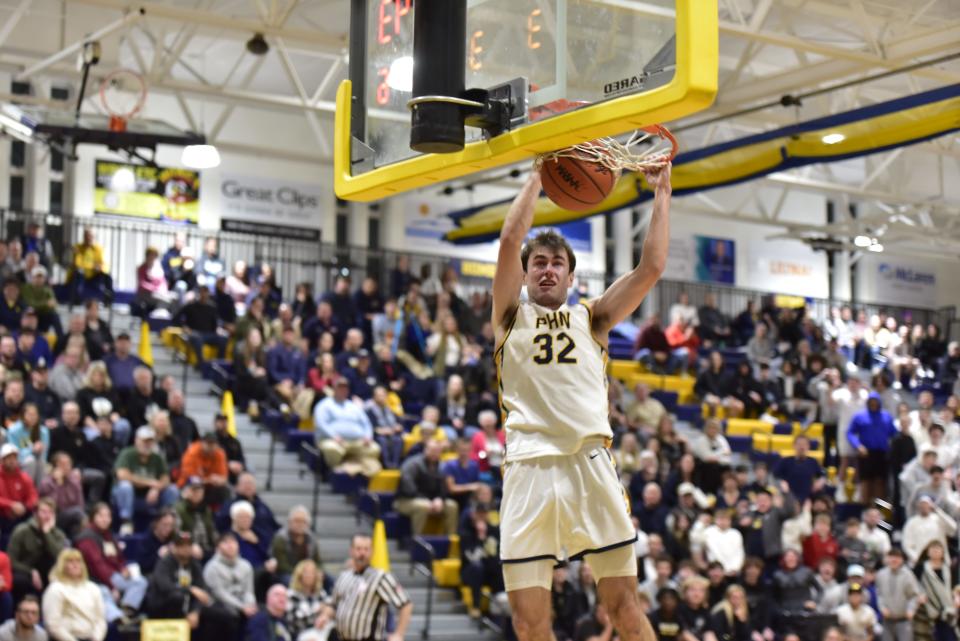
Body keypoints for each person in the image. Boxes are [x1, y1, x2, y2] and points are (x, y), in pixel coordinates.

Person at [491, 161, 670, 641]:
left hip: (590, 464)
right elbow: (510, 239)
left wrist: (662, 194)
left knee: (625, 609)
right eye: (539, 264)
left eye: (557, 264)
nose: (547, 270)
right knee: (530, 625)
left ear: (571, 276)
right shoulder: (508, 317)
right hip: (529, 468)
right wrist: (537, 173)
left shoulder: (593, 318)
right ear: (526, 275)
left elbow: (651, 268)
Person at [317, 534, 412, 641]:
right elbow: (334, 604)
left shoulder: (381, 577)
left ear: (372, 552)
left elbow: (405, 604)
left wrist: (399, 634)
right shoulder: (344, 576)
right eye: (358, 549)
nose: (362, 553)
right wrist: (325, 616)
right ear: (351, 551)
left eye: (366, 549)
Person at [145, 532, 234, 637]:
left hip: (189, 606)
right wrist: (190, 589)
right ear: (174, 547)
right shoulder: (165, 562)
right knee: (177, 597)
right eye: (181, 545)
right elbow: (165, 587)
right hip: (164, 608)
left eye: (189, 545)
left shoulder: (194, 564)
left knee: (225, 615)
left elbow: (202, 589)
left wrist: (195, 611)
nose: (186, 548)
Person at [73, 502, 148, 620]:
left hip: (114, 574)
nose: (105, 519)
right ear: (93, 517)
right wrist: (111, 586)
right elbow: (97, 566)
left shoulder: (108, 535)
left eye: (108, 516)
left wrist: (124, 568)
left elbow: (119, 558)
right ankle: (117, 618)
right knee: (105, 593)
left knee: (140, 581)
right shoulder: (86, 538)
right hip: (96, 579)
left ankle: (127, 611)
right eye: (101, 516)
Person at [111, 426, 180, 534]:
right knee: (125, 486)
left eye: (150, 441)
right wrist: (150, 482)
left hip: (149, 499)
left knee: (172, 489)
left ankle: (167, 522)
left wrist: (156, 488)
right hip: (128, 498)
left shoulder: (157, 457)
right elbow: (122, 475)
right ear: (136, 440)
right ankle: (126, 522)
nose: (147, 444)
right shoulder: (127, 453)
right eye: (144, 441)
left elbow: (166, 479)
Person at [314, 377, 381, 477]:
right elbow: (321, 423)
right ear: (334, 389)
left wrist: (368, 436)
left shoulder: (354, 406)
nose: (343, 390)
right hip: (333, 440)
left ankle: (353, 467)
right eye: (340, 387)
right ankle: (335, 472)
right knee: (332, 449)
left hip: (356, 441)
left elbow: (366, 423)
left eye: (345, 388)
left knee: (375, 448)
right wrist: (333, 436)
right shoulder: (324, 405)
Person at [7, 499, 66, 603]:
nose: (47, 516)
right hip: (24, 571)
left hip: (48, 573)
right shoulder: (22, 530)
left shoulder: (58, 534)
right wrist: (30, 571)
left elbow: (59, 556)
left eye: (51, 512)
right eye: (43, 512)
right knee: (20, 581)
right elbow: (11, 560)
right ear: (35, 513)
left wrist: (46, 534)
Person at [396, 439, 459, 535]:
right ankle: (416, 540)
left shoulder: (442, 466)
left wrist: (440, 499)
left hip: (432, 501)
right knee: (423, 506)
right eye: (432, 451)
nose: (435, 454)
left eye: (438, 451)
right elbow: (408, 489)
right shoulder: (412, 464)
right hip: (405, 500)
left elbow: (444, 487)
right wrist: (428, 501)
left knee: (452, 506)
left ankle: (450, 541)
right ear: (425, 450)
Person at [40, 550, 107, 641]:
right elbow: (52, 624)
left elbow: (100, 619)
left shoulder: (93, 588)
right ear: (62, 566)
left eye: (78, 561)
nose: (75, 565)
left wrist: (96, 638)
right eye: (70, 561)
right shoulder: (55, 589)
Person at [847, 392, 898, 506]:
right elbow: (850, 433)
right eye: (871, 402)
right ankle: (864, 509)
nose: (874, 404)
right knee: (865, 482)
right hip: (865, 453)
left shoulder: (887, 416)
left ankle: (880, 513)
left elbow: (894, 434)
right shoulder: (859, 416)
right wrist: (858, 446)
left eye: (876, 402)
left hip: (882, 454)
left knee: (881, 482)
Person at [202, 532, 257, 635]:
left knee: (259, 615)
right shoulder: (212, 567)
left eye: (233, 542)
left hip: (241, 603)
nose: (230, 545)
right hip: (219, 604)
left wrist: (250, 604)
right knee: (230, 616)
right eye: (226, 543)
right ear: (218, 548)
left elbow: (249, 591)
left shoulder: (246, 565)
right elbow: (220, 594)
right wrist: (242, 607)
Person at [173, 286, 227, 367]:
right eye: (202, 292)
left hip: (209, 333)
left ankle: (219, 365)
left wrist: (219, 329)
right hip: (195, 333)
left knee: (223, 340)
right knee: (197, 339)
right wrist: (184, 327)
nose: (204, 295)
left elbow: (216, 323)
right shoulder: (190, 306)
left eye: (206, 293)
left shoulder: (212, 307)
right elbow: (176, 318)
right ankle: (201, 365)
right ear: (198, 294)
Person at [874, 548, 920, 641]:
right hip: (887, 620)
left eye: (897, 557)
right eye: (891, 557)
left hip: (903, 619)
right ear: (887, 559)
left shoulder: (908, 575)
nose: (894, 560)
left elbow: (914, 595)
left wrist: (911, 609)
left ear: (902, 560)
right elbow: (879, 595)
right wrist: (882, 608)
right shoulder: (881, 574)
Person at [270, 505, 323, 580]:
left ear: (308, 524)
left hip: (308, 574)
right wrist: (301, 575)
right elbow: (282, 565)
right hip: (286, 573)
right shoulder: (281, 538)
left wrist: (319, 571)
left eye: (303, 521)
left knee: (328, 579)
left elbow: (317, 561)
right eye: (297, 521)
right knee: (288, 580)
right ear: (289, 522)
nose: (300, 524)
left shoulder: (311, 538)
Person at [178, 433, 230, 506]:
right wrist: (210, 479)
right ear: (202, 443)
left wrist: (220, 480)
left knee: (225, 490)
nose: (211, 446)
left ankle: (221, 514)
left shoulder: (220, 453)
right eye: (208, 443)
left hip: (209, 485)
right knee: (195, 490)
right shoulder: (192, 452)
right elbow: (191, 478)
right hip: (188, 483)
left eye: (213, 444)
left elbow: (224, 477)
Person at [285, 560, 329, 640]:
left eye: (312, 572)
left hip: (321, 632)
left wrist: (325, 615)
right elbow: (296, 620)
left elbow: (328, 610)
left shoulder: (321, 593)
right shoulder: (291, 595)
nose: (309, 575)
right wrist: (317, 610)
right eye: (306, 572)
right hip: (299, 634)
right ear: (299, 575)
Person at [68, 227, 113, 305]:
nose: (88, 238)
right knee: (79, 272)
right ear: (84, 237)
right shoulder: (78, 247)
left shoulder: (98, 249)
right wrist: (92, 266)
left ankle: (109, 299)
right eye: (87, 236)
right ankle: (77, 300)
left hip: (94, 275)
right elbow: (78, 264)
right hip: (82, 275)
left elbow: (102, 263)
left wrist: (99, 267)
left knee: (107, 276)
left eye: (90, 236)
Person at [175, 478, 217, 557]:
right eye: (193, 490)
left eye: (200, 490)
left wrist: (219, 544)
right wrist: (190, 544)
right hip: (189, 549)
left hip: (207, 548)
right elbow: (177, 533)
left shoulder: (206, 509)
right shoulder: (178, 509)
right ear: (186, 491)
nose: (197, 493)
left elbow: (212, 530)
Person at [0, 443, 37, 524]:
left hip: (21, 514)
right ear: (2, 461)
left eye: (14, 458)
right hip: (3, 515)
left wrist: (25, 507)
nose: (12, 461)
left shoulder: (24, 477)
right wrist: (11, 505)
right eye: (9, 458)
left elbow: (33, 495)